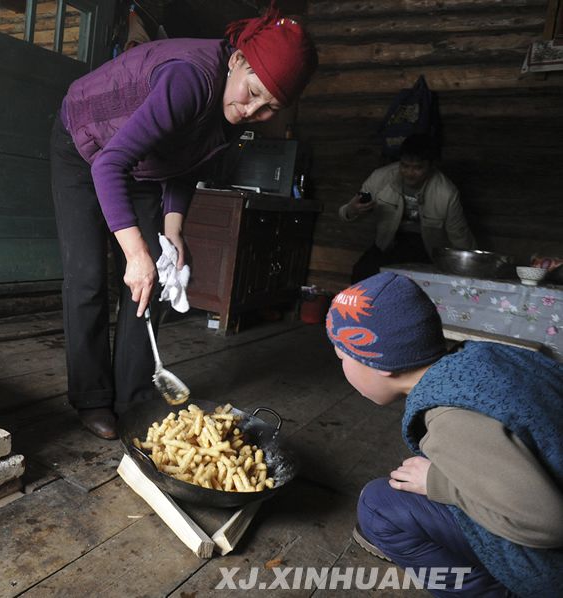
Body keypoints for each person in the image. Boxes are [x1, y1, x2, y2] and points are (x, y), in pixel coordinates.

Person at [50, 7, 318, 439]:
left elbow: (184, 161)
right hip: (87, 145)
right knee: (87, 275)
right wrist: (134, 252)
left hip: (142, 162)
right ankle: (93, 398)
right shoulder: (190, 79)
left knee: (157, 273)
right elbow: (109, 163)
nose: (252, 111)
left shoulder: (234, 108)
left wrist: (172, 229)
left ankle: (134, 399)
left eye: (271, 107)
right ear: (237, 61)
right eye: (252, 93)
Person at [326, 271, 563, 597]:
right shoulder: (480, 357)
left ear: (381, 363)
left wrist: (438, 484)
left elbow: (549, 523)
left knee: (379, 505)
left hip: (552, 569)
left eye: (342, 357)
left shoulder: (451, 418)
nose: (341, 367)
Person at [339, 134, 477, 283]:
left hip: (426, 250)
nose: (410, 173)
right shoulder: (381, 177)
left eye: (418, 167)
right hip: (387, 243)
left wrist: (472, 269)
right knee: (361, 272)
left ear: (430, 166)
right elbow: (347, 212)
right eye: (405, 166)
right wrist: (352, 210)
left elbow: (459, 235)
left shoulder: (446, 193)